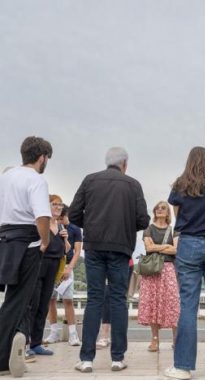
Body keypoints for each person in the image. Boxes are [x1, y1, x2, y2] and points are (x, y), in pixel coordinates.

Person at [69, 146, 150, 373]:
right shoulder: (133, 185)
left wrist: (93, 225)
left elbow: (74, 214)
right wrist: (124, 226)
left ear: (107, 162)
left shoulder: (90, 180)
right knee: (118, 300)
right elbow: (143, 220)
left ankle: (86, 359)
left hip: (94, 247)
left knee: (94, 299)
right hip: (121, 248)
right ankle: (117, 358)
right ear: (125, 164)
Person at [165, 146, 205, 380]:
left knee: (188, 306)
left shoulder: (181, 184)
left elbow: (176, 214)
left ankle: (183, 367)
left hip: (189, 243)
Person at [0, 136, 52, 377]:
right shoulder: (36, 180)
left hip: (4, 239)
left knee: (11, 297)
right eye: (47, 159)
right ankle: (2, 356)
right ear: (41, 157)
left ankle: (13, 343)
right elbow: (42, 216)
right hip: (26, 243)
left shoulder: (5, 177)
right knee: (19, 300)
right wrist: (45, 241)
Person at [27, 195, 71, 357]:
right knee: (33, 303)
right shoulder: (40, 223)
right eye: (55, 204)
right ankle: (26, 342)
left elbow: (65, 250)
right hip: (39, 265)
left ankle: (36, 343)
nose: (58, 207)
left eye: (60, 204)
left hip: (54, 267)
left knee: (44, 304)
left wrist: (65, 239)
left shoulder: (59, 226)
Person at [138, 201, 180, 352]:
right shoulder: (148, 229)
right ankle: (154, 339)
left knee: (172, 302)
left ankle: (176, 338)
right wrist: (166, 247)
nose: (159, 210)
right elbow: (148, 247)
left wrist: (157, 248)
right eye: (157, 208)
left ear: (168, 212)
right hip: (151, 270)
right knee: (152, 304)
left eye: (163, 208)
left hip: (168, 269)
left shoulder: (173, 230)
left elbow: (176, 250)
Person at [45, 204, 83, 346]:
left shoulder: (75, 229)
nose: (59, 220)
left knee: (68, 300)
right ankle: (53, 332)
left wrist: (69, 268)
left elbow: (77, 251)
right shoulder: (51, 226)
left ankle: (73, 335)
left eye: (61, 217)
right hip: (52, 266)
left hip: (67, 267)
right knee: (51, 301)